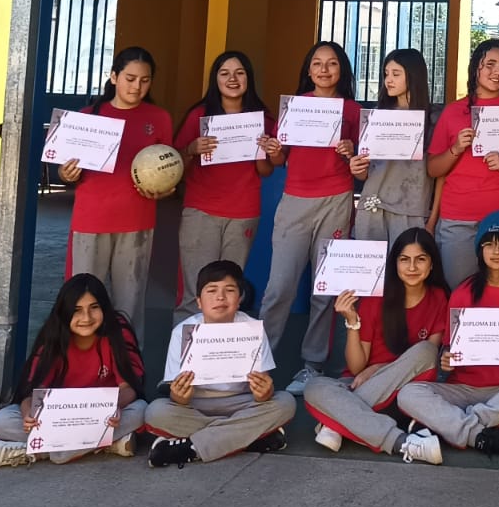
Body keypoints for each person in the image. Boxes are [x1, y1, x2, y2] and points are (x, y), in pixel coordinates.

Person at [395, 210, 499, 461]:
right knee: (408, 393)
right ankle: (483, 433)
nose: (496, 252)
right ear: (479, 250)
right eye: (489, 244)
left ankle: (455, 426)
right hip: (461, 390)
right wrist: (446, 360)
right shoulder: (463, 293)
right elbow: (447, 352)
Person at [259, 41, 361, 395]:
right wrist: (273, 151)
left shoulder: (351, 110)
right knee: (279, 287)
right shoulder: (296, 106)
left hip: (336, 200)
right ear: (308, 69)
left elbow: (362, 164)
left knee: (324, 289)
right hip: (295, 201)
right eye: (317, 63)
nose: (324, 69)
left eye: (331, 63)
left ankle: (312, 365)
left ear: (341, 70)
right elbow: (278, 160)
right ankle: (258, 362)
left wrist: (351, 152)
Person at [57, 46, 173, 345]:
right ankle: (79, 371)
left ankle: (128, 374)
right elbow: (66, 169)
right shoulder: (87, 117)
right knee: (82, 301)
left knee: (129, 304)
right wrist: (65, 175)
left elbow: (168, 168)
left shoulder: (159, 118)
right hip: (90, 221)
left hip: (136, 221)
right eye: (130, 78)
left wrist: (166, 187)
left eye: (145, 80)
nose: (137, 86)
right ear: (113, 77)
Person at [303, 228, 451, 460]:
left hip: (404, 391)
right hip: (359, 385)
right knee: (314, 387)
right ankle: (403, 443)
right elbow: (356, 368)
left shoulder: (439, 297)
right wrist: (352, 321)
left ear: (431, 264)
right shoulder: (377, 297)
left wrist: (380, 368)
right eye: (404, 260)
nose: (412, 267)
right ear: (394, 264)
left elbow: (427, 362)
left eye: (420, 259)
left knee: (426, 350)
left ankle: (337, 423)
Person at [0, 274, 148, 467]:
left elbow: (129, 388)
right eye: (77, 310)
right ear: (65, 311)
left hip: (101, 417)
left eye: (94, 308)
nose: (86, 318)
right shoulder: (54, 335)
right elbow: (32, 392)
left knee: (142, 411)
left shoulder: (117, 331)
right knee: (2, 420)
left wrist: (113, 408)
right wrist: (30, 415)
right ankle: (102, 445)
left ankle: (39, 451)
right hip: (59, 420)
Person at [147, 260, 296, 467]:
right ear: (199, 301)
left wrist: (264, 393)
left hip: (242, 402)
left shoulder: (252, 329)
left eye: (229, 290)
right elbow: (175, 395)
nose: (220, 297)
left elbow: (264, 390)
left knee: (285, 403)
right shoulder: (183, 332)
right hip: (197, 405)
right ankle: (249, 437)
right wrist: (179, 397)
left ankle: (190, 447)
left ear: (240, 298)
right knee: (156, 412)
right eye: (211, 290)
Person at [174, 50, 280, 320]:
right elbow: (174, 167)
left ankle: (219, 357)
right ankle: (183, 359)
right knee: (195, 291)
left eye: (239, 73)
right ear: (215, 79)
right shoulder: (199, 115)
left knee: (228, 292)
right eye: (225, 73)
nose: (232, 79)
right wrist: (191, 148)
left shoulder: (262, 118)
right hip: (201, 211)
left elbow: (266, 170)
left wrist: (266, 151)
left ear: (249, 78)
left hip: (243, 213)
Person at [427, 39, 499, 286]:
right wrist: (455, 148)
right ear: (476, 68)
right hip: (459, 216)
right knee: (460, 290)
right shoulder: (453, 112)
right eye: (489, 64)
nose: (497, 72)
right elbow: (433, 168)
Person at [352, 47, 436, 245]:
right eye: (386, 74)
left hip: (412, 210)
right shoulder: (375, 116)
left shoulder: (433, 118)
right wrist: (356, 167)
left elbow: (439, 174)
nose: (388, 80)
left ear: (413, 76)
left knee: (408, 272)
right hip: (372, 208)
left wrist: (432, 221)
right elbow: (366, 172)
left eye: (396, 74)